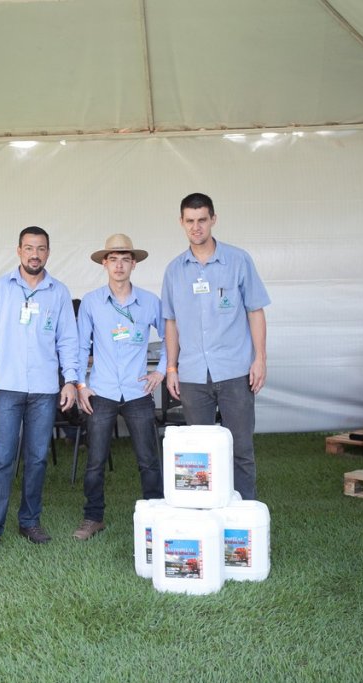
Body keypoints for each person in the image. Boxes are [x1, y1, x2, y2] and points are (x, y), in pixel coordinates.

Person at [0, 226, 79, 556]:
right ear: (18, 251)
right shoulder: (0, 288)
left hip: (44, 389)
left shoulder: (58, 292)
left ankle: (29, 521)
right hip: (6, 386)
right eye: (29, 248)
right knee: (1, 460)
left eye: (41, 248)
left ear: (48, 252)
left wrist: (70, 380)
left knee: (37, 458)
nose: (35, 254)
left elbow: (68, 340)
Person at [161, 193, 270, 500]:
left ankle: (244, 511)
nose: (196, 227)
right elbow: (170, 321)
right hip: (193, 374)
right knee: (200, 451)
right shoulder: (174, 270)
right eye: (190, 221)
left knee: (241, 448)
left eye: (202, 220)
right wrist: (172, 367)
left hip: (235, 370)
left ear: (213, 220)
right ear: (181, 222)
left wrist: (260, 359)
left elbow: (255, 311)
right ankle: (205, 510)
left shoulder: (238, 260)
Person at [74, 234, 165, 540]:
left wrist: (162, 371)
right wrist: (81, 384)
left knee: (148, 459)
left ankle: (155, 515)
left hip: (138, 391)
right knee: (95, 460)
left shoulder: (149, 301)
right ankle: (93, 517)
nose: (119, 265)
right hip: (101, 391)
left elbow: (172, 337)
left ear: (134, 264)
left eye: (125, 259)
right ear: (105, 264)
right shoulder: (91, 302)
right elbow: (79, 346)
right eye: (113, 259)